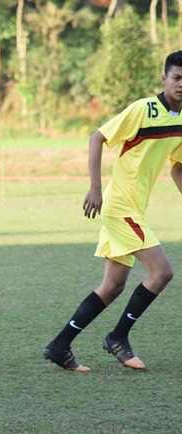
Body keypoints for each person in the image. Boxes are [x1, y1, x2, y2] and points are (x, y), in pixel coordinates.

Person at [43, 50, 182, 373]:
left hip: (135, 209)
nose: (181, 85)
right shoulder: (143, 109)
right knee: (162, 272)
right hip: (120, 206)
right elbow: (97, 138)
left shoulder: (181, 120)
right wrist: (94, 187)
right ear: (164, 79)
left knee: (113, 286)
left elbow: (177, 167)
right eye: (177, 78)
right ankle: (118, 337)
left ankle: (59, 345)